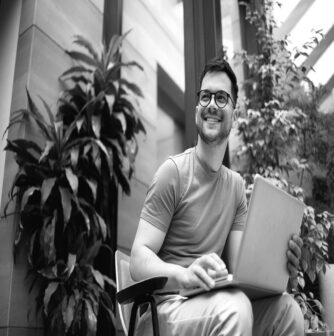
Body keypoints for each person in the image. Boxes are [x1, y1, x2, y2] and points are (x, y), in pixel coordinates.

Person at [130, 57, 304, 336]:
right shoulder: (172, 172)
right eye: (206, 96)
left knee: (288, 312)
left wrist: (286, 272)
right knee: (234, 308)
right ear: (197, 107)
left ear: (235, 112)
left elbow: (242, 273)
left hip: (214, 306)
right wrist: (183, 275)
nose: (212, 104)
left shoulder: (235, 187)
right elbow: (138, 260)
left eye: (222, 98)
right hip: (163, 309)